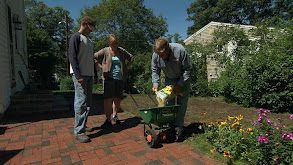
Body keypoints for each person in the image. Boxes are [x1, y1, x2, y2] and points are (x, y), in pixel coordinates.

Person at [151, 37, 193, 141]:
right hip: (169, 80)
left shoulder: (180, 50)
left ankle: (179, 127)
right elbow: (155, 70)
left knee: (181, 104)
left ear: (168, 48)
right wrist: (155, 84)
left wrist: (180, 84)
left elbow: (188, 69)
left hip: (183, 79)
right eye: (158, 55)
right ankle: (170, 127)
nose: (160, 57)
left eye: (162, 55)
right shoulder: (156, 55)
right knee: (168, 104)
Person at [68, 16, 98, 143]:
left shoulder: (90, 41)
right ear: (84, 24)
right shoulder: (76, 37)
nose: (90, 31)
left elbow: (92, 59)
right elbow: (72, 57)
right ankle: (79, 132)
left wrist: (95, 74)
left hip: (89, 74)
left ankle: (83, 125)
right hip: (80, 76)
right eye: (89, 28)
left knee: (88, 103)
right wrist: (78, 75)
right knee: (81, 102)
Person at [94, 34, 134, 128]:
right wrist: (101, 67)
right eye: (113, 44)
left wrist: (126, 67)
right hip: (108, 78)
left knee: (117, 98)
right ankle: (108, 120)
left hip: (120, 78)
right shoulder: (105, 51)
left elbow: (131, 58)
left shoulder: (121, 51)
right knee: (108, 99)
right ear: (109, 43)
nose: (115, 45)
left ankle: (115, 115)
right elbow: (94, 57)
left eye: (116, 43)